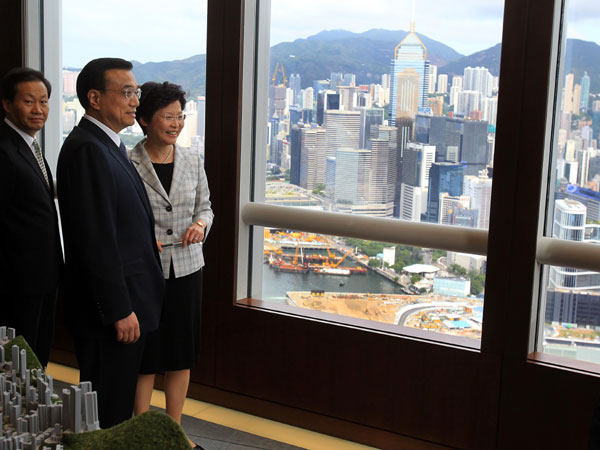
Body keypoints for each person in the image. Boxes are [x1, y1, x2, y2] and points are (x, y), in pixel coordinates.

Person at [57, 58, 165, 429]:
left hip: (127, 301)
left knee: (116, 405)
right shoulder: (88, 148)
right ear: (95, 98)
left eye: (136, 91)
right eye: (126, 92)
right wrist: (118, 308)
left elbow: (116, 220)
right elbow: (95, 238)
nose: (136, 100)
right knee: (108, 413)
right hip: (111, 313)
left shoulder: (109, 144)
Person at [130, 81, 213, 448]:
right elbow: (123, 217)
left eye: (180, 116)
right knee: (146, 355)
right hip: (147, 271)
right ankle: (143, 432)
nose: (176, 123)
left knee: (181, 353)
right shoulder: (128, 162)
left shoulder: (193, 159)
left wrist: (201, 225)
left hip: (188, 268)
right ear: (145, 120)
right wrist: (142, 240)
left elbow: (206, 207)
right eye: (168, 117)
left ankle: (175, 433)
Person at [0, 67, 62, 367]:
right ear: (7, 104)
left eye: (44, 100)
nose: (39, 109)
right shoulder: (4, 150)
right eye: (28, 101)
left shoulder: (29, 145)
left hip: (42, 276)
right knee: (19, 364)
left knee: (36, 358)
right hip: (17, 283)